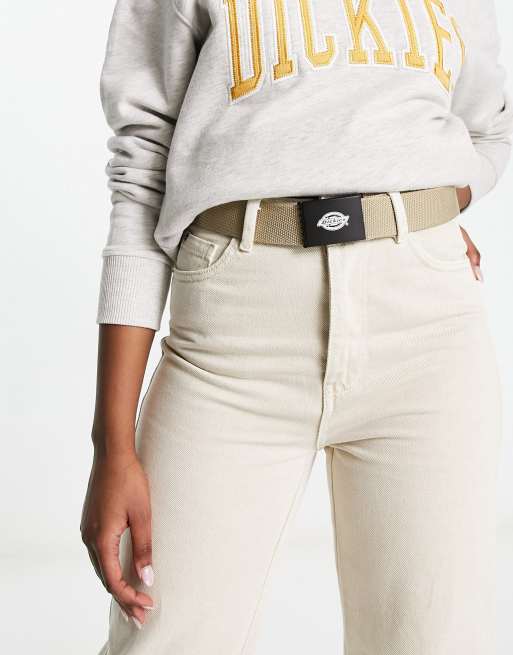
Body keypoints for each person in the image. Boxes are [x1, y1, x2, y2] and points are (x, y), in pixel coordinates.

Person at [81, 1, 512, 653]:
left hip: (427, 334)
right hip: (231, 341)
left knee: (434, 640)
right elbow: (142, 178)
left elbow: (487, 129)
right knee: (164, 634)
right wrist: (112, 444)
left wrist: (418, 209)